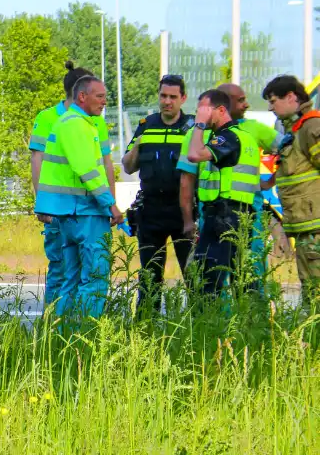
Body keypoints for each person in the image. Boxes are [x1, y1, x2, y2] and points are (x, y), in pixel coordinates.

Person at [34, 74, 124, 317]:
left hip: (69, 214)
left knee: (70, 281)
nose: (105, 101)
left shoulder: (68, 122)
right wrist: (111, 205)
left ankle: (60, 335)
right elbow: (88, 170)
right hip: (85, 212)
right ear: (82, 96)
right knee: (94, 279)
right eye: (100, 96)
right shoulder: (77, 124)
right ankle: (85, 333)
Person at [177, 83, 282, 282]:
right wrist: (188, 219)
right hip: (220, 214)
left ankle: (238, 312)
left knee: (234, 278)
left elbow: (194, 155)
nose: (246, 104)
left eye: (205, 110)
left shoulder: (237, 133)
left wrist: (269, 181)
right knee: (229, 277)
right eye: (240, 99)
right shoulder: (230, 135)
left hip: (237, 215)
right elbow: (187, 180)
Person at [120, 74, 195, 314]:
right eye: (163, 95)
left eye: (173, 97)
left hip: (183, 210)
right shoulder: (146, 124)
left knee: (193, 276)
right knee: (150, 278)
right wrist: (139, 144)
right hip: (151, 210)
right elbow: (128, 165)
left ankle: (202, 329)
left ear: (183, 98)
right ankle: (144, 330)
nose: (167, 101)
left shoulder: (193, 127)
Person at [183, 89, 262, 296]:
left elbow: (193, 155)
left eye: (204, 110)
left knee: (207, 280)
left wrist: (199, 124)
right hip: (240, 215)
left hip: (225, 216)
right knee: (244, 278)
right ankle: (254, 325)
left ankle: (207, 326)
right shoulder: (243, 137)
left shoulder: (228, 138)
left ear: (220, 110)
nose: (200, 114)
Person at [263, 75, 320, 302]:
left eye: (273, 100)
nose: (270, 107)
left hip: (316, 227)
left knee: (316, 291)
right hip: (304, 226)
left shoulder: (311, 127)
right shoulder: (294, 131)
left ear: (291, 97)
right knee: (310, 291)